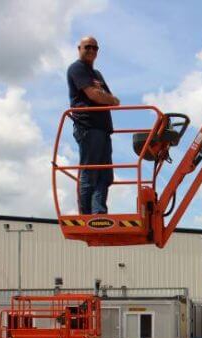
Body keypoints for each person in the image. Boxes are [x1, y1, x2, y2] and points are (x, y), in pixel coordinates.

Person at [66, 36, 120, 214]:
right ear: (79, 48)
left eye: (95, 48)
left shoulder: (97, 75)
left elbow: (110, 99)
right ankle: (86, 215)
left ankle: (98, 212)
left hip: (103, 128)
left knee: (105, 174)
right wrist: (106, 97)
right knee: (90, 172)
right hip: (88, 126)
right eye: (87, 47)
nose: (91, 50)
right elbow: (95, 95)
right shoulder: (77, 68)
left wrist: (108, 98)